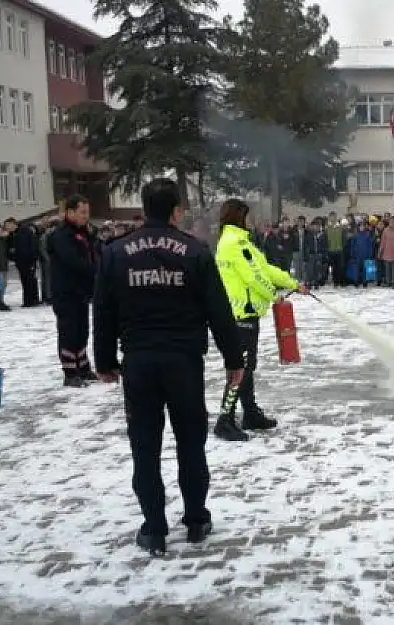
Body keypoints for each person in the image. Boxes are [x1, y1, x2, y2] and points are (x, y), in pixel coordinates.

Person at [94, 178, 246, 557]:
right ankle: (196, 520)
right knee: (191, 444)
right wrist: (234, 360)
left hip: (139, 363)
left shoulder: (116, 252)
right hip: (184, 363)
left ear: (145, 208)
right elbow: (218, 310)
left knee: (145, 447)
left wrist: (105, 361)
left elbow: (103, 310)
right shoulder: (194, 251)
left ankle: (155, 529)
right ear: (176, 211)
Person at [213, 198, 306, 442]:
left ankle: (250, 413)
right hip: (240, 314)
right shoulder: (234, 243)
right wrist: (274, 295)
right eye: (248, 215)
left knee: (247, 368)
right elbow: (254, 278)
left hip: (247, 313)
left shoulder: (242, 242)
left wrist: (293, 283)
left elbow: (265, 269)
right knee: (239, 369)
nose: (251, 220)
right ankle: (225, 420)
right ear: (238, 216)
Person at [47, 196, 98, 386]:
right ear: (70, 213)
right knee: (68, 330)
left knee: (82, 330)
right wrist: (96, 271)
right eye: (82, 212)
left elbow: (93, 255)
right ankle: (70, 372)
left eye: (87, 212)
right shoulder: (62, 235)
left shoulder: (85, 232)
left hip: (81, 291)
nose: (86, 216)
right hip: (65, 291)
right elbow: (74, 262)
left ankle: (83, 367)